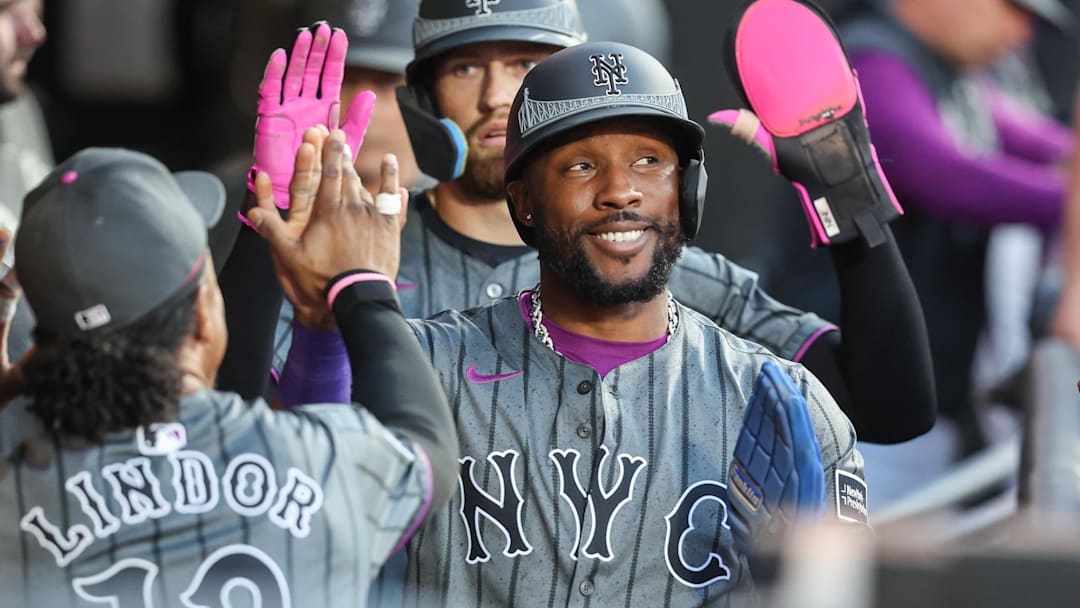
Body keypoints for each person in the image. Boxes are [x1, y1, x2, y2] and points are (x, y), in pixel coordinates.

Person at [254, 39, 868, 606]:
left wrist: (807, 580)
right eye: (580, 167)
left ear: (688, 190)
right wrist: (318, 320)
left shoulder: (786, 408)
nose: (620, 191)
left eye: (649, 161)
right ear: (523, 201)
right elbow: (298, 504)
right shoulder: (420, 365)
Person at [259, 0, 934, 445]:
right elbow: (250, 434)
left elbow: (888, 410)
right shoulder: (365, 262)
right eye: (467, 68)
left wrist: (849, 203)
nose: (499, 96)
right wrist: (275, 232)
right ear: (425, 96)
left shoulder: (662, 277)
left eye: (526, 64)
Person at [0, 142, 459, 606]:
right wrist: (362, 285)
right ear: (202, 315)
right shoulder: (316, 463)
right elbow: (428, 453)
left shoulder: (13, 501)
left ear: (42, 348)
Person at [837, 0, 1074, 456]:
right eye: (1011, 11)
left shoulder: (948, 69)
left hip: (914, 385)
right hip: (849, 388)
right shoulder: (873, 59)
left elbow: (1043, 143)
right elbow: (946, 176)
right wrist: (1070, 202)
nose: (1021, 35)